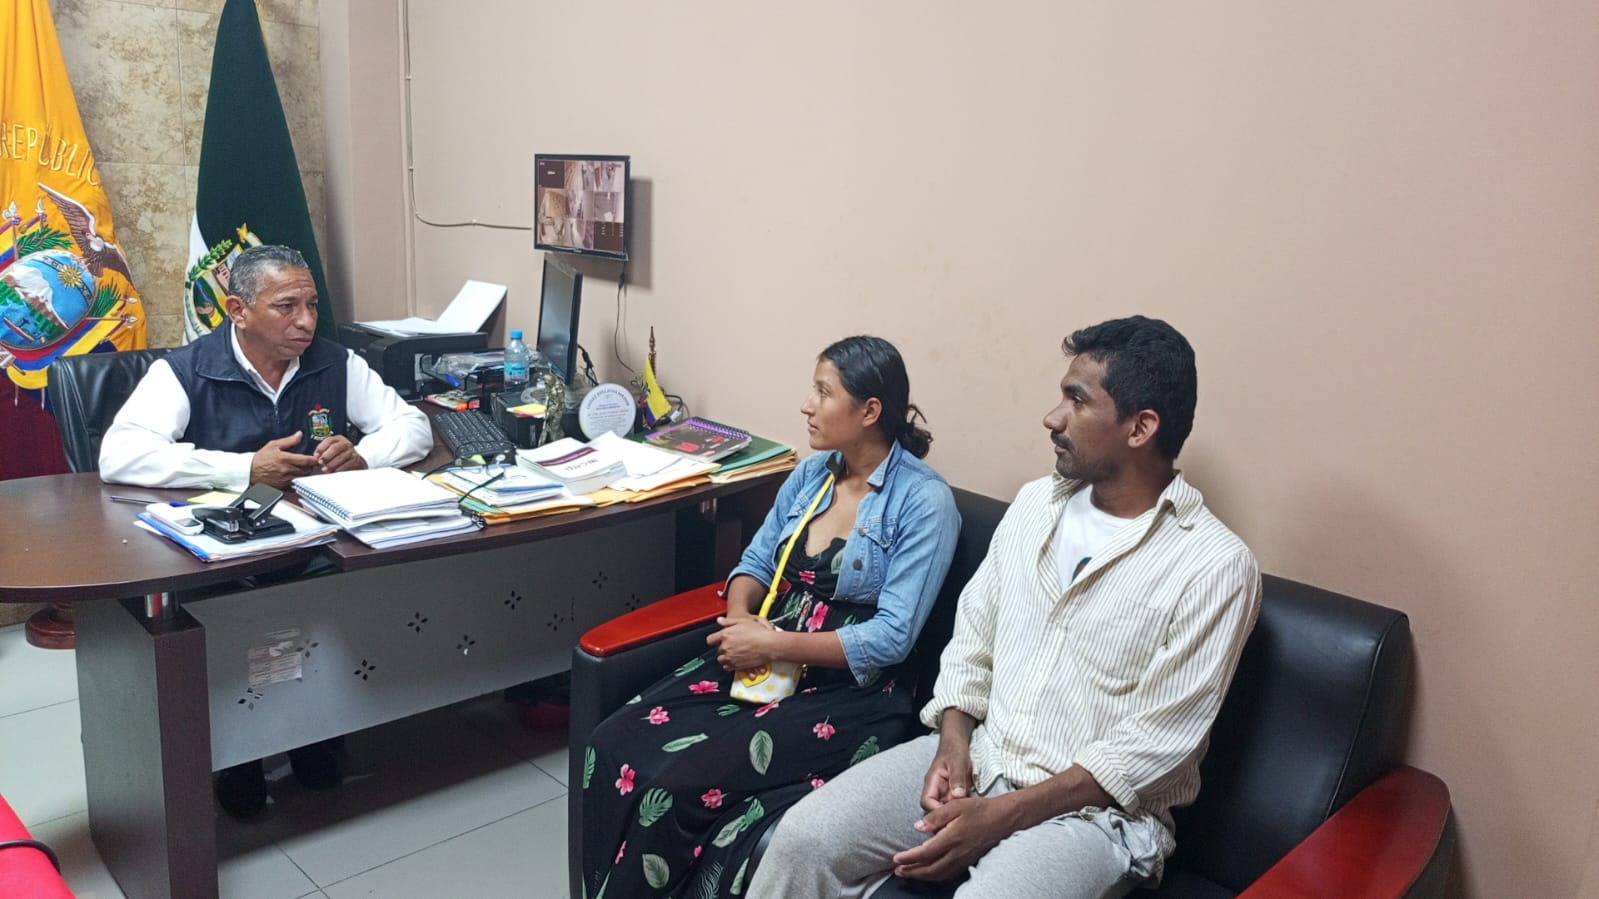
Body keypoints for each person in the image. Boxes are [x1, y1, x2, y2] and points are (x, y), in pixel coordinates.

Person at [752, 316, 1263, 899]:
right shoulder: (1034, 506)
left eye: (1077, 400)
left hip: (1094, 817)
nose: (1053, 418)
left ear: (1141, 427)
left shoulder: (1214, 566)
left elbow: (1153, 747)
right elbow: (972, 641)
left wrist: (1004, 814)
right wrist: (953, 745)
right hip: (982, 755)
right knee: (804, 840)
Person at [579, 336, 960, 898]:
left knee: (675, 786)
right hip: (765, 657)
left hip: (852, 692)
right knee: (611, 741)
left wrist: (772, 645)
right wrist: (740, 622)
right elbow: (755, 563)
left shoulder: (923, 503)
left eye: (823, 392)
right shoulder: (811, 477)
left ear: (869, 411)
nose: (807, 405)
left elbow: (892, 638)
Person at [99, 244, 433, 818]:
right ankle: (240, 758)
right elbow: (120, 455)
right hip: (224, 552)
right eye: (286, 307)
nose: (306, 321)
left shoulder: (335, 361)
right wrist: (244, 469)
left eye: (311, 305)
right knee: (242, 631)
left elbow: (413, 425)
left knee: (324, 613)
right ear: (238, 310)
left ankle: (315, 733)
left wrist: (365, 455)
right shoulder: (185, 370)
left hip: (313, 546)